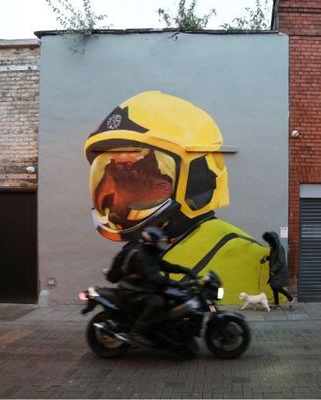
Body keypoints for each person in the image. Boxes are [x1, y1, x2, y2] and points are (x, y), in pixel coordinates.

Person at [84, 91, 271, 303]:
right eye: (113, 177)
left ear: (198, 178)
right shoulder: (140, 249)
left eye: (136, 180)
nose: (117, 201)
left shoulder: (244, 255)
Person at [107, 226, 196, 346]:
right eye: (159, 243)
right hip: (132, 291)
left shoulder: (148, 253)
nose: (161, 245)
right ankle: (137, 333)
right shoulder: (141, 256)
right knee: (156, 302)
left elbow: (163, 264)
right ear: (150, 243)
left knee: (169, 298)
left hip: (143, 288)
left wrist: (184, 270)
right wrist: (176, 284)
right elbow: (153, 277)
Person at [262, 231, 296, 309]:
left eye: (270, 242)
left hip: (279, 272)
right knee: (274, 287)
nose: (269, 244)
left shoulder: (279, 248)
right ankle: (277, 304)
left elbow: (281, 261)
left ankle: (291, 299)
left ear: (274, 241)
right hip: (274, 271)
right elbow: (273, 258)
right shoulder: (273, 248)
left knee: (277, 287)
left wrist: (273, 270)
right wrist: (266, 258)